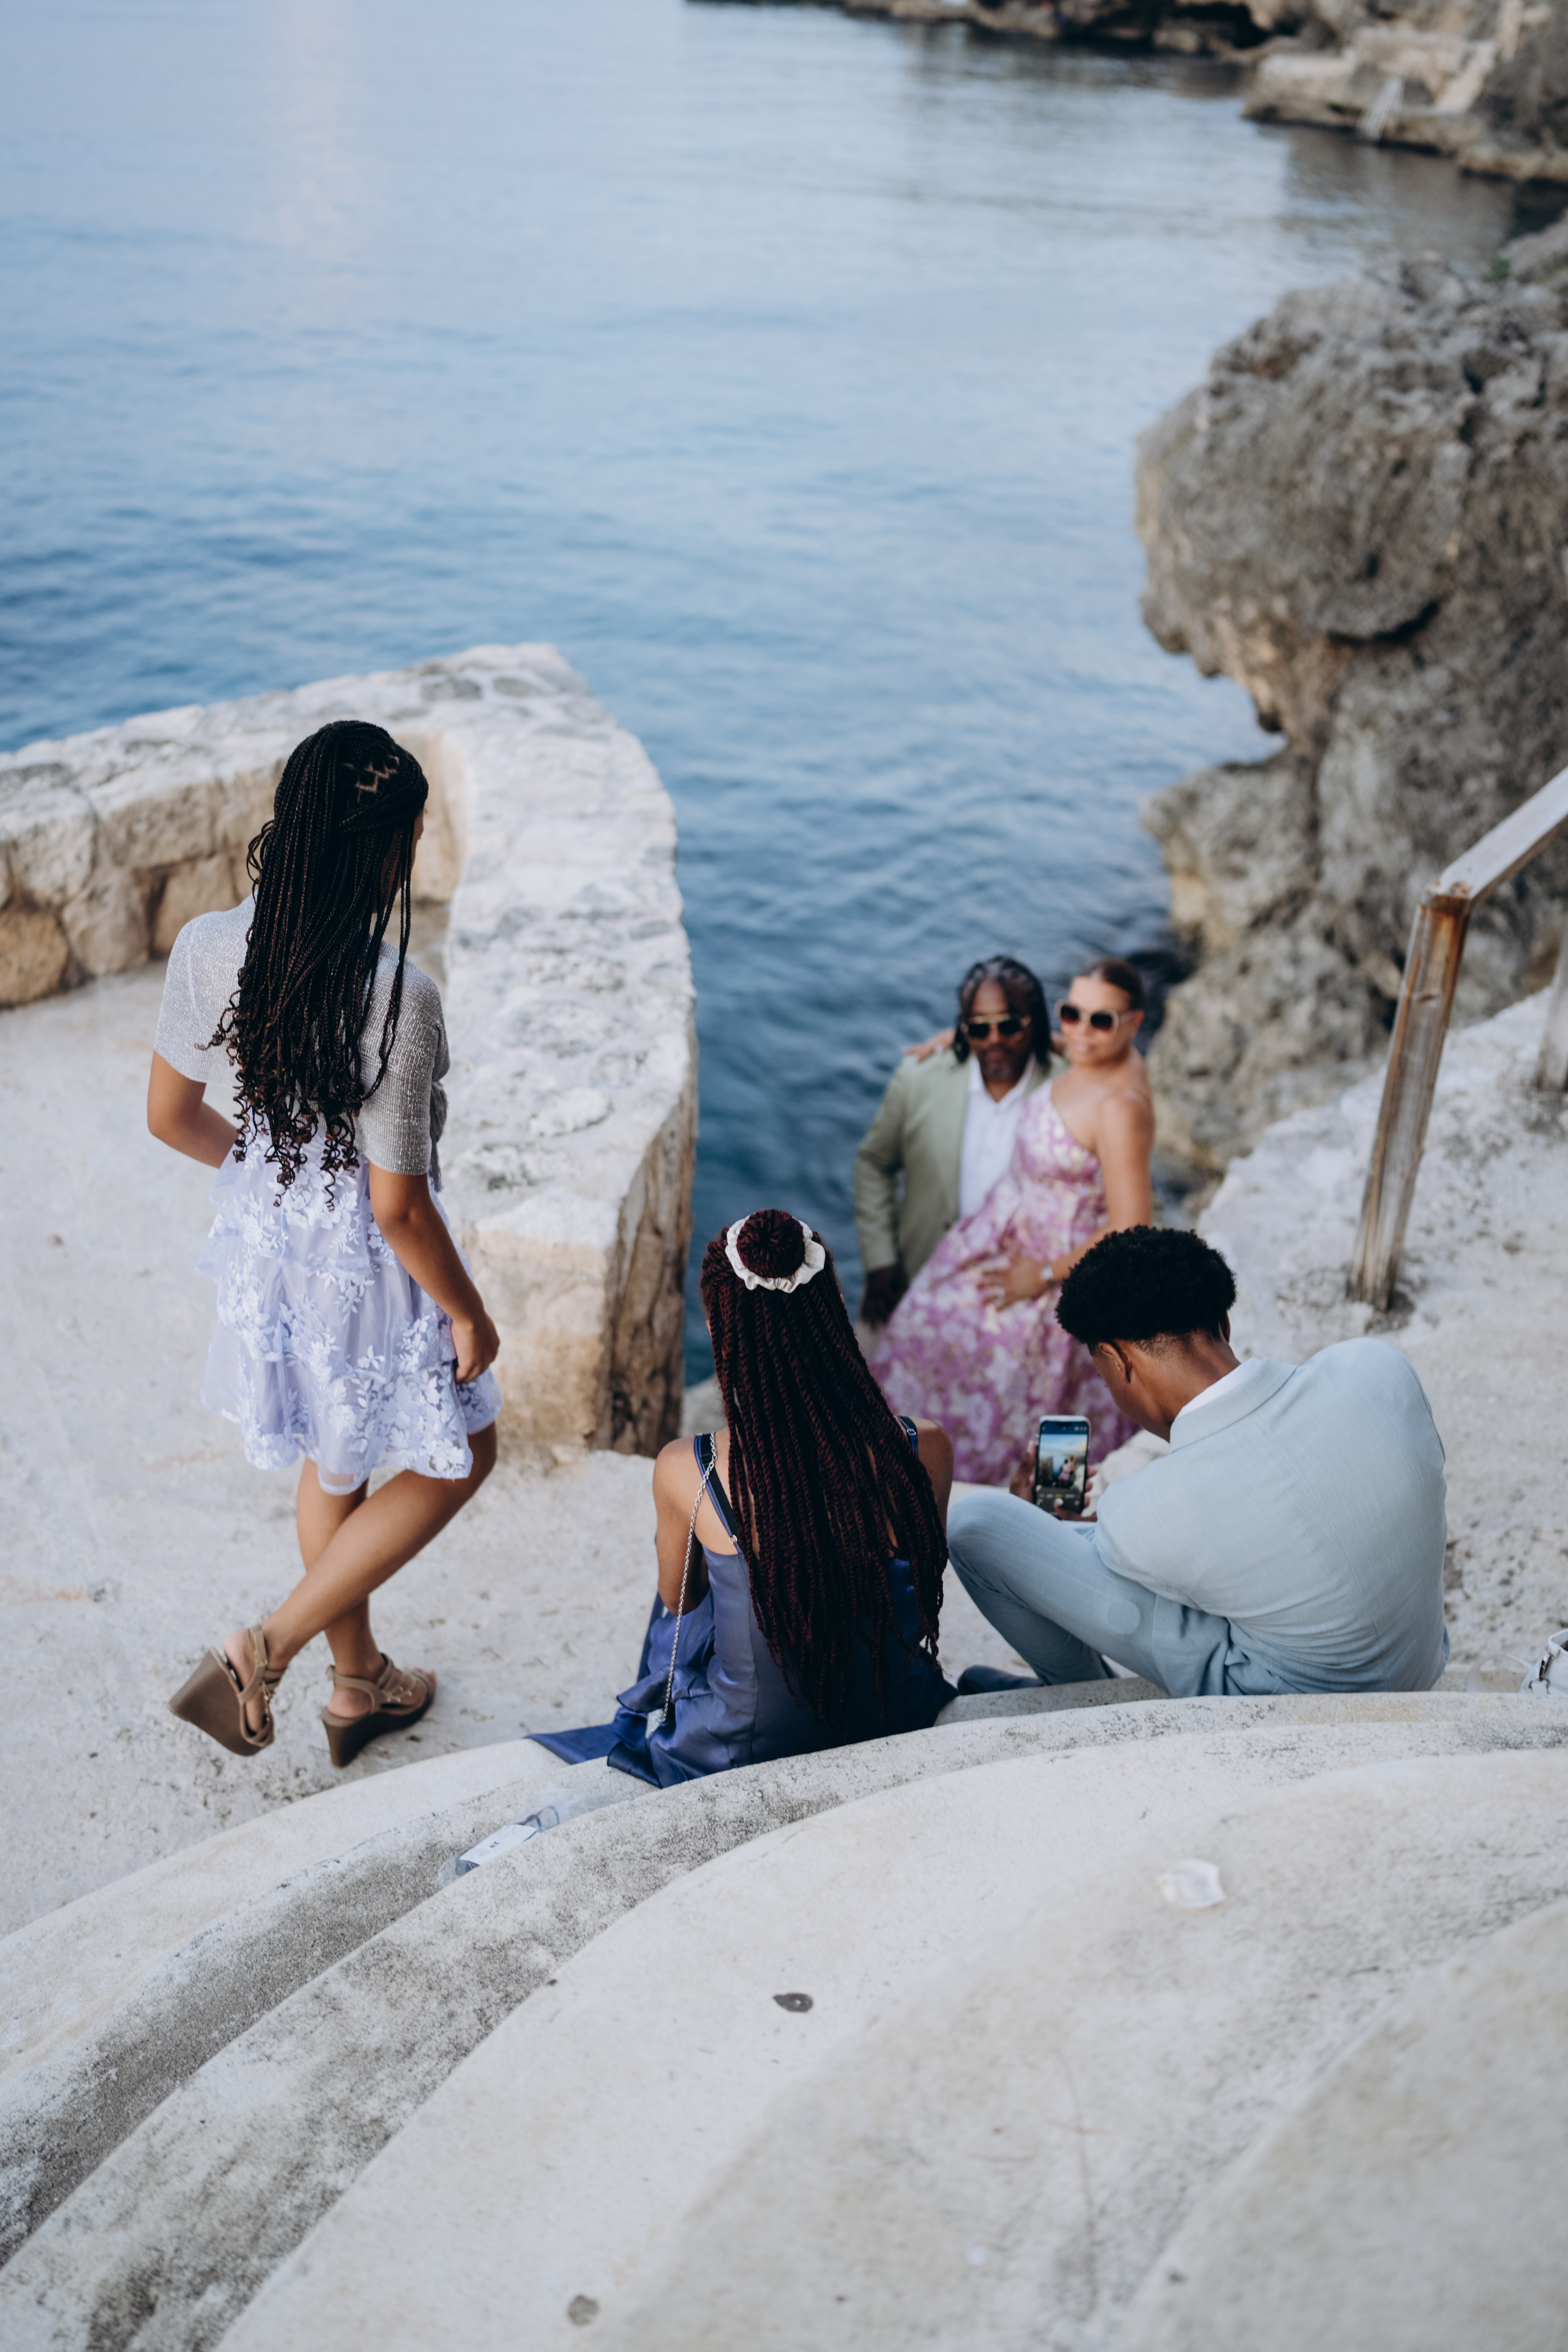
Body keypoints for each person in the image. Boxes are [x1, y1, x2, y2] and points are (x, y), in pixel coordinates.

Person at [149, 720, 502, 1767]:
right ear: (388, 847)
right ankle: (268, 1647)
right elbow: (399, 1208)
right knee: (466, 1450)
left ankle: (360, 1684)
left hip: (272, 1243)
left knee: (332, 1461)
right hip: (364, 1265)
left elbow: (171, 1116)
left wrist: (271, 1177)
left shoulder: (210, 946)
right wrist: (469, 1312)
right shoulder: (399, 998)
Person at [947, 1226, 1449, 1697]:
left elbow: (1082, 1570)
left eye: (1104, 1375)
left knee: (976, 1523)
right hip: (1420, 1669)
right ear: (1224, 1323)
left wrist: (1040, 1524)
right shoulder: (1377, 1369)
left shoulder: (1147, 1513)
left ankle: (1080, 1700)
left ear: (1118, 1361)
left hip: (1290, 1706)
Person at [606, 1207, 955, 1784]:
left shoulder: (688, 1468)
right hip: (892, 1712)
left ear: (719, 1330)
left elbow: (680, 1601)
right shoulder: (925, 1448)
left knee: (697, 1569)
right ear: (833, 1310)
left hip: (744, 1745)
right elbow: (923, 1577)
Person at [867, 957, 1154, 1485]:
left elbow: (1133, 1227)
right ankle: (916, 1477)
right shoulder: (1098, 1056)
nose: (1081, 1032)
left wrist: (1041, 1275)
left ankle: (1006, 1505)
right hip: (1002, 1237)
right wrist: (963, 1039)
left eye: (1101, 1020)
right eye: (1072, 1014)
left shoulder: (1120, 1106)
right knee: (919, 1348)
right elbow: (1068, 1039)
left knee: (1038, 1409)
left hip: (1054, 1273)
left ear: (1133, 1024)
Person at [853, 956, 1052, 1331]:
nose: (994, 1039)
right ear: (963, 1028)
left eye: (1009, 1026)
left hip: (1027, 1302)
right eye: (979, 1028)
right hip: (920, 1283)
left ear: (1035, 1022)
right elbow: (874, 1164)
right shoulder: (918, 1079)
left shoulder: (1070, 1087)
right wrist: (880, 1261)